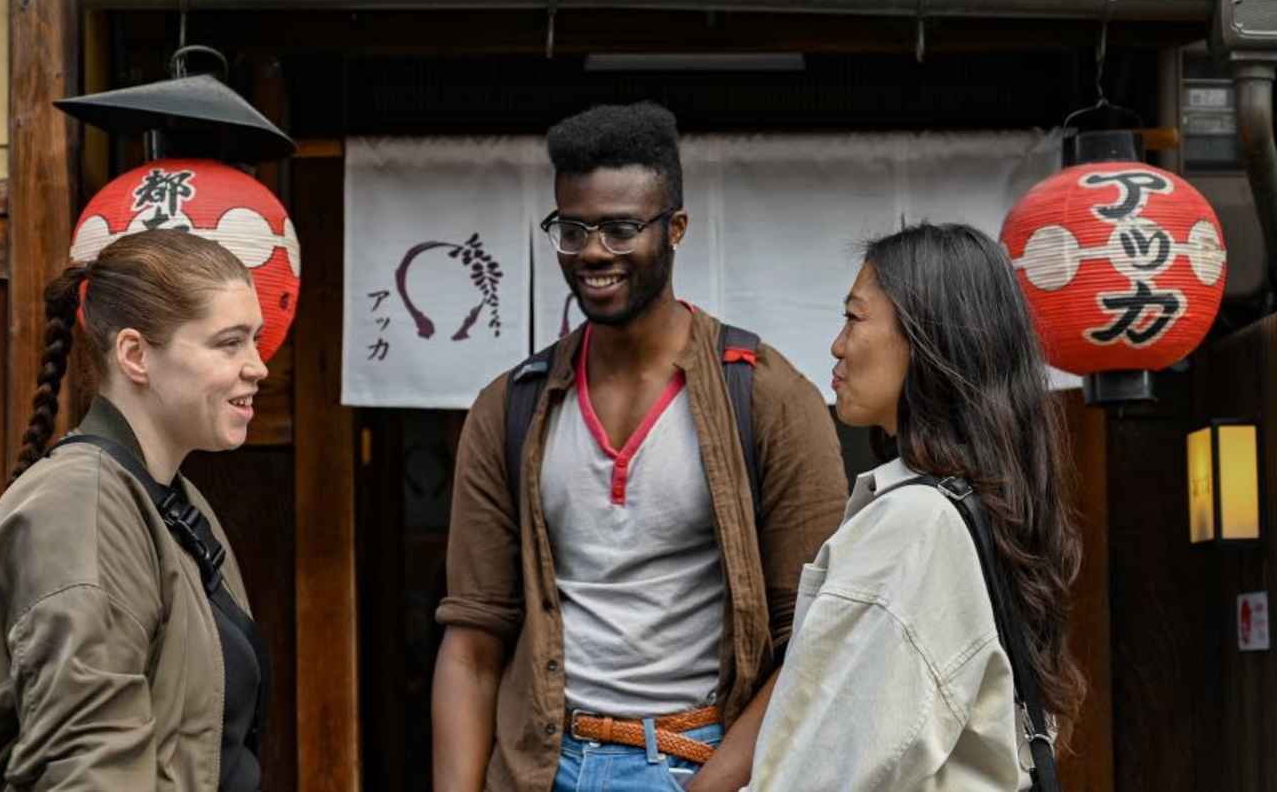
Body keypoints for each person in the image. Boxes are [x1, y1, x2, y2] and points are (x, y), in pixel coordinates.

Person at [431, 102, 849, 792]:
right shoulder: (513, 407)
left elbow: (815, 640)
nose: (594, 251)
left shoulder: (766, 395)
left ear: (675, 228)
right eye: (573, 229)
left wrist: (710, 786)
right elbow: (473, 641)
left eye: (621, 228)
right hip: (542, 763)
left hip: (697, 759)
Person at [0, 229, 271, 792]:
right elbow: (89, 766)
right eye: (229, 343)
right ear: (134, 355)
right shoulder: (82, 504)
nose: (257, 366)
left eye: (255, 340)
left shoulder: (174, 499)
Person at [744, 223, 1085, 791]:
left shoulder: (913, 527)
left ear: (928, 338)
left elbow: (823, 770)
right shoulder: (978, 508)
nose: (836, 344)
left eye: (854, 317)